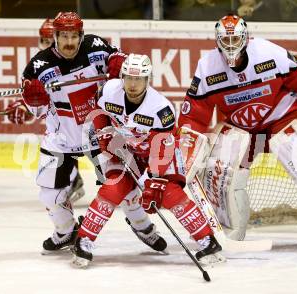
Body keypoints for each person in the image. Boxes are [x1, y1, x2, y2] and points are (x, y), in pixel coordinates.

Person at [178, 14, 297, 239]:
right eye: (226, 40)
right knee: (221, 170)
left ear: (245, 38)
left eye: (235, 40)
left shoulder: (268, 52)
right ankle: (228, 230)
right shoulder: (207, 68)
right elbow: (193, 115)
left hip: (282, 115)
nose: (231, 45)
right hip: (242, 127)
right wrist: (186, 146)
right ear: (217, 41)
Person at [19, 12, 167, 254]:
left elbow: (123, 64)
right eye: (63, 36)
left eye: (74, 36)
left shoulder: (96, 47)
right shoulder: (38, 67)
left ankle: (142, 226)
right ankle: (66, 231)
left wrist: (118, 62)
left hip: (100, 133)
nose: (69, 42)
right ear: (55, 36)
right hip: (62, 138)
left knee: (126, 187)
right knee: (50, 195)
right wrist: (33, 99)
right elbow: (37, 112)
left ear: (82, 35)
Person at [71, 54, 224, 268]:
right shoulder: (109, 90)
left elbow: (162, 150)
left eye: (139, 79)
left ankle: (208, 241)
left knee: (169, 194)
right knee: (112, 188)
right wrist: (104, 131)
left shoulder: (161, 109)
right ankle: (84, 239)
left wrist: (154, 182)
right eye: (129, 78)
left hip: (160, 154)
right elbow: (99, 110)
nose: (133, 84)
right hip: (126, 150)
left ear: (148, 79)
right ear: (122, 77)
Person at [5, 17, 85, 203]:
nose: (46, 45)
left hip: (87, 118)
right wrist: (26, 104)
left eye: (49, 40)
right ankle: (72, 179)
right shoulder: (39, 64)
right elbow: (42, 99)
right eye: (43, 40)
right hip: (68, 122)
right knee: (59, 137)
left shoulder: (73, 59)